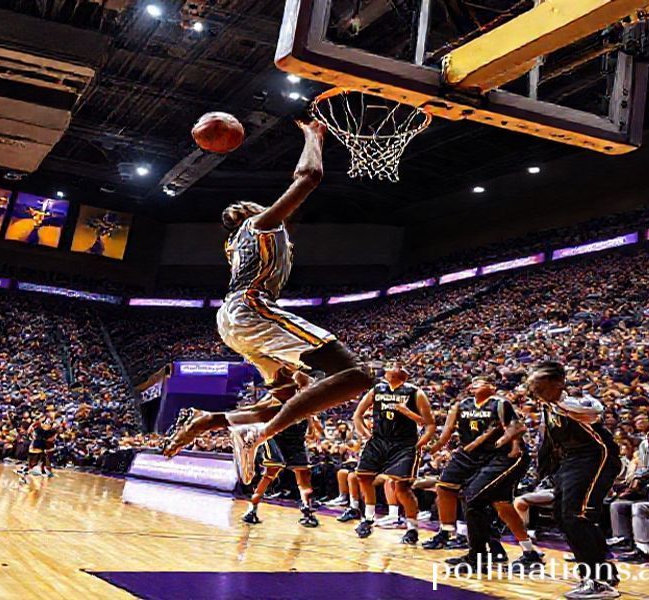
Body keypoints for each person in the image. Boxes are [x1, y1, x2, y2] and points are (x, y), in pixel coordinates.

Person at [162, 120, 374, 483]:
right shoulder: (260, 225)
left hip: (233, 319)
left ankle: (214, 420)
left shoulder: (234, 245)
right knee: (357, 376)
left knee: (286, 394)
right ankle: (258, 434)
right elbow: (308, 177)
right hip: (252, 308)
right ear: (251, 212)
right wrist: (314, 137)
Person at [424, 376, 542, 571]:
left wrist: (511, 446)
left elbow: (515, 428)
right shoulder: (461, 405)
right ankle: (449, 533)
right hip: (471, 454)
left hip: (499, 456)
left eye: (481, 382)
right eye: (474, 382)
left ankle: (483, 553)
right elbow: (446, 432)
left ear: (492, 387)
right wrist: (430, 447)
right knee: (447, 487)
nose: (475, 384)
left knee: (482, 500)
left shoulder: (500, 403)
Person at [528, 361, 621, 600]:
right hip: (572, 460)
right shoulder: (547, 408)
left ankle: (598, 581)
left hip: (597, 456)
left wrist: (560, 401)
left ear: (558, 382)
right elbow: (548, 443)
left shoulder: (576, 402)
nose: (533, 388)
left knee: (576, 514)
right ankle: (603, 572)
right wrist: (543, 473)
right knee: (562, 514)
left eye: (539, 384)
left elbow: (594, 410)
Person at [350, 363, 435, 544]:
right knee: (363, 476)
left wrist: (408, 415)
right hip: (379, 440)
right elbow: (357, 415)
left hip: (403, 444)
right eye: (389, 366)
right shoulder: (377, 389)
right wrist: (366, 435)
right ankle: (368, 518)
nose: (390, 368)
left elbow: (429, 424)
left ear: (402, 373)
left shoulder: (415, 393)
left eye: (394, 366)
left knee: (402, 488)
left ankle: (412, 528)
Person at [243, 372, 321, 528]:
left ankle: (307, 510)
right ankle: (252, 508)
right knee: (271, 472)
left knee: (304, 474)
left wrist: (312, 427)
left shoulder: (303, 397)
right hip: (277, 437)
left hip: (296, 438)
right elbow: (255, 413)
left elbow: (309, 414)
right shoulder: (271, 399)